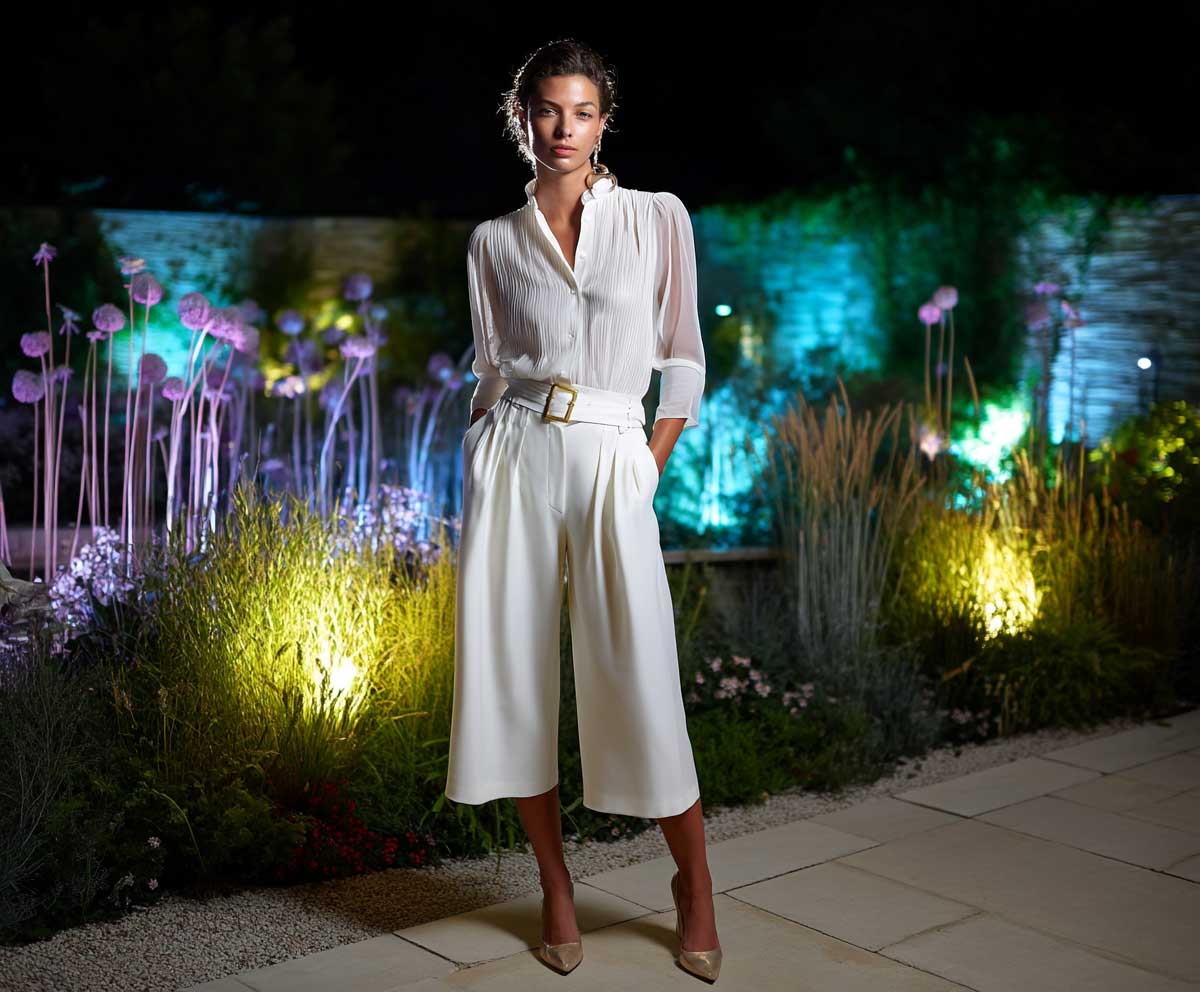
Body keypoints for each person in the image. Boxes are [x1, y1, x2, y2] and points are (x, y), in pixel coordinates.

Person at [444, 38, 721, 983]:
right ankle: (554, 886)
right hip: (515, 452)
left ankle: (695, 884)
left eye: (582, 112)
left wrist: (648, 463)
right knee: (514, 672)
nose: (564, 129)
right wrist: (480, 455)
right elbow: (490, 369)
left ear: (605, 122)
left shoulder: (654, 218)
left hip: (613, 453)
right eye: (547, 111)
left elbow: (682, 357)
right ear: (521, 119)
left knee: (638, 669)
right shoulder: (493, 241)